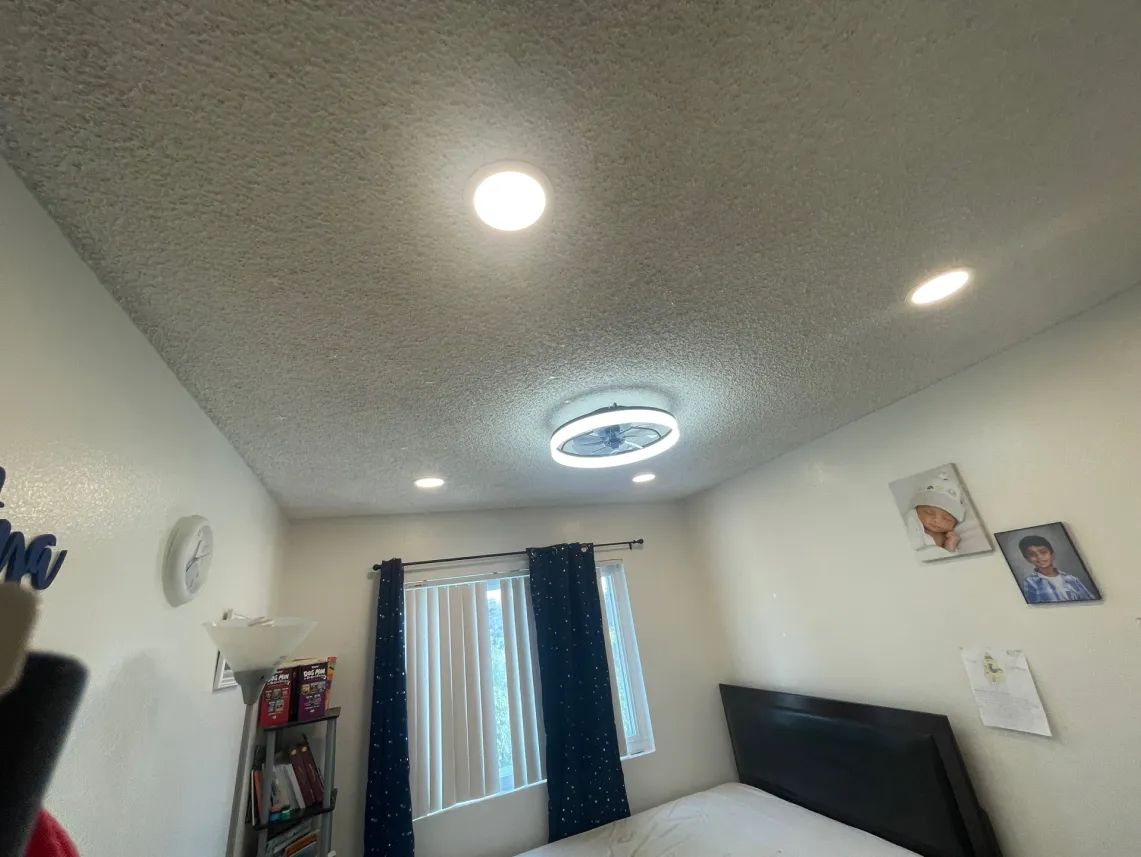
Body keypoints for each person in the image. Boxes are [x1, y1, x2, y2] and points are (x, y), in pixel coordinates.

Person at [905, 472, 969, 559]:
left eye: (946, 519)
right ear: (916, 509)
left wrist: (950, 546)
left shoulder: (947, 538)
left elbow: (949, 561)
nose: (937, 521)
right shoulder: (911, 521)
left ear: (955, 523)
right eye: (929, 512)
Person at [1016, 535, 1096, 603]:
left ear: (1052, 555)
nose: (1039, 557)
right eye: (1032, 554)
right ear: (1028, 559)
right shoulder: (1031, 583)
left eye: (1043, 552)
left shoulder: (1072, 579)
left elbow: (1090, 599)